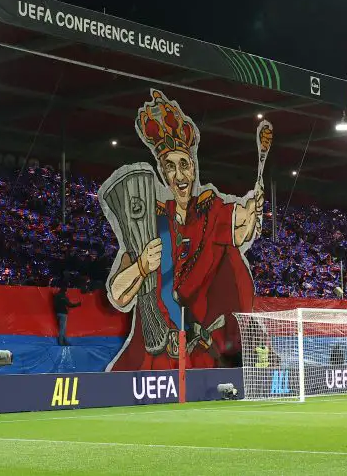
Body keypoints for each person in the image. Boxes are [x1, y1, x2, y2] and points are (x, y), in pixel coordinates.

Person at [105, 90, 262, 371]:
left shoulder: (209, 210)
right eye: (170, 167)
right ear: (163, 173)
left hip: (197, 346)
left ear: (193, 169)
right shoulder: (151, 221)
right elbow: (119, 294)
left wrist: (253, 208)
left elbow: (241, 232)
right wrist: (142, 266)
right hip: (156, 348)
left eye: (184, 165)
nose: (179, 175)